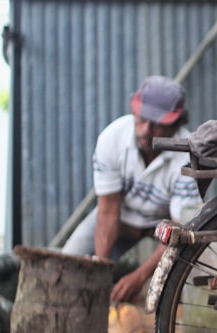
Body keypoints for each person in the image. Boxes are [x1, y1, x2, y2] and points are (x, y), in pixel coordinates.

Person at [63, 76, 203, 303]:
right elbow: (107, 211)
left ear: (176, 124)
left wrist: (139, 277)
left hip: (164, 224)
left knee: (191, 274)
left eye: (156, 123)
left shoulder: (188, 157)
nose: (145, 130)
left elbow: (179, 228)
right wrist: (102, 272)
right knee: (68, 262)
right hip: (120, 218)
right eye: (141, 120)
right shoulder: (112, 138)